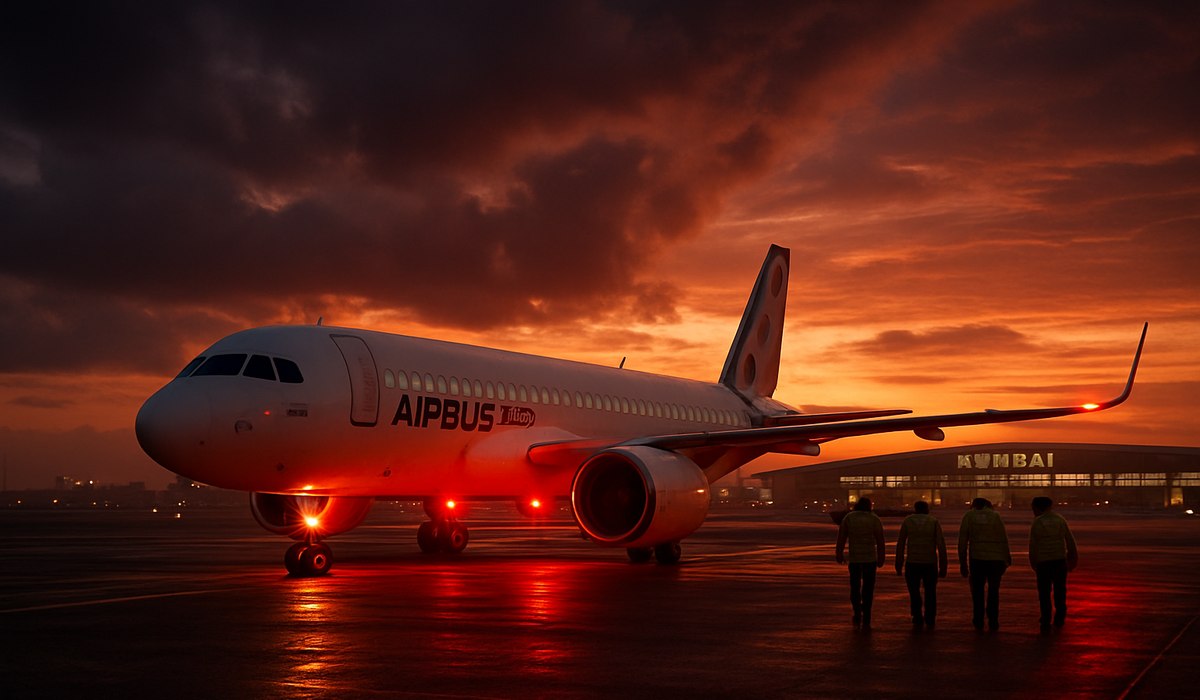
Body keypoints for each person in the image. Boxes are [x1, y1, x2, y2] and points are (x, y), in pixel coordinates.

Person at [958, 497, 1012, 631]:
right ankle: (993, 620)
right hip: (996, 559)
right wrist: (1007, 557)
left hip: (977, 559)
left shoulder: (969, 516)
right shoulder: (995, 516)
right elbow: (1002, 538)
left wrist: (963, 562)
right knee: (994, 591)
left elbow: (963, 541)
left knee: (977, 592)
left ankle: (978, 619)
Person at [895, 500, 948, 630]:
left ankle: (917, 615)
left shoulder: (908, 521)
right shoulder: (933, 522)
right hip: (929, 562)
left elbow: (901, 543)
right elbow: (941, 545)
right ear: (927, 509)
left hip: (912, 562)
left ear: (915, 508)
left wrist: (899, 562)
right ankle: (930, 617)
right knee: (930, 592)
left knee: (914, 591)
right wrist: (943, 565)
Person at [1028, 496, 1078, 630]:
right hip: (1059, 561)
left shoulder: (1037, 522)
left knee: (1044, 592)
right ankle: (1060, 617)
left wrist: (1033, 562)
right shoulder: (1060, 520)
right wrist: (1073, 558)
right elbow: (1070, 540)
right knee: (1060, 591)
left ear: (1038, 508)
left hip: (1043, 563)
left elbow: (1033, 545)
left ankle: (1045, 618)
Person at [836, 496, 886, 628]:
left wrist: (839, 553)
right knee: (868, 588)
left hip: (855, 558)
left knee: (855, 587)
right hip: (870, 558)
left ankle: (857, 610)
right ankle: (867, 612)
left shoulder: (849, 518)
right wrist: (881, 557)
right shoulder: (874, 519)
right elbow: (880, 540)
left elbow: (842, 536)